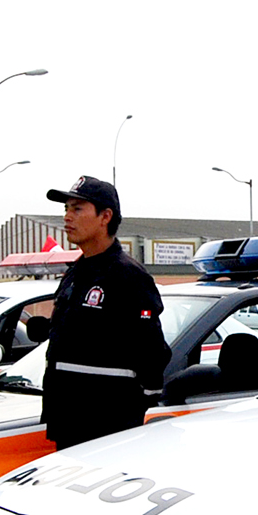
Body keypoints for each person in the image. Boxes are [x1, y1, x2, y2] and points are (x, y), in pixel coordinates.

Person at [40, 176, 170, 449]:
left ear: (105, 216)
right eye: (66, 209)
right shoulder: (76, 272)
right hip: (68, 420)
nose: (67, 217)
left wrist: (144, 401)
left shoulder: (127, 275)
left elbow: (151, 351)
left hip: (108, 425)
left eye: (77, 209)